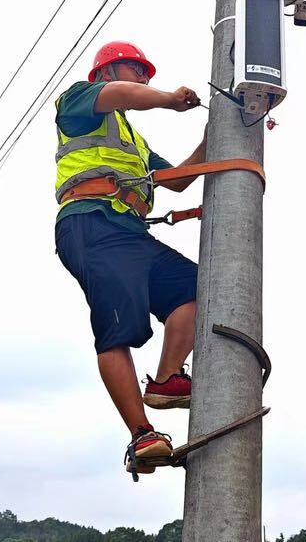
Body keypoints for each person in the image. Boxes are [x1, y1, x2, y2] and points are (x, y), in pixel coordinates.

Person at [54, 41, 206, 475]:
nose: (143, 78)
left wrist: (213, 139)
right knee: (117, 328)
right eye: (135, 69)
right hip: (91, 223)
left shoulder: (133, 141)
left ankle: (166, 381)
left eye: (146, 72)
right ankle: (142, 434)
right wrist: (170, 100)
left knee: (197, 288)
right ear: (106, 72)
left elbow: (175, 181)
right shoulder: (79, 99)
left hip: (131, 232)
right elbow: (127, 97)